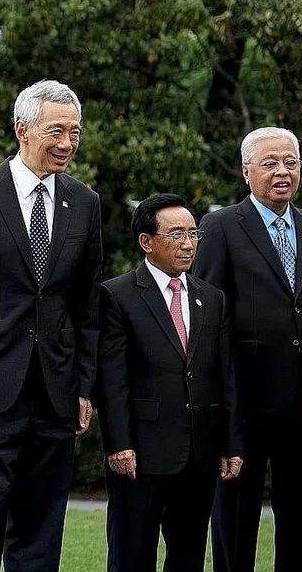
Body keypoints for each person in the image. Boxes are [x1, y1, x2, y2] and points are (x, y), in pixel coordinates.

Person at [0, 80, 102, 571]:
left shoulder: (85, 203)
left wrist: (85, 386)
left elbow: (87, 305)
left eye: (75, 132)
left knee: (41, 531)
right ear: (22, 130)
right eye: (56, 131)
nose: (67, 143)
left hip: (56, 390)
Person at [193, 127, 302, 572]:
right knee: (236, 513)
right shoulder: (220, 227)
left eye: (291, 162)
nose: (282, 171)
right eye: (270, 163)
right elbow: (206, 315)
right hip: (242, 401)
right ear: (246, 170)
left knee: (297, 514)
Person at [98, 193, 243, 572]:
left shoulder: (212, 299)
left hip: (199, 454)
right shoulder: (117, 295)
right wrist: (119, 443)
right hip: (141, 455)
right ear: (146, 242)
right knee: (132, 556)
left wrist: (231, 443)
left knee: (189, 557)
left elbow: (224, 377)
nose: (188, 244)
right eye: (176, 234)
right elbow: (113, 380)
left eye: (193, 233)